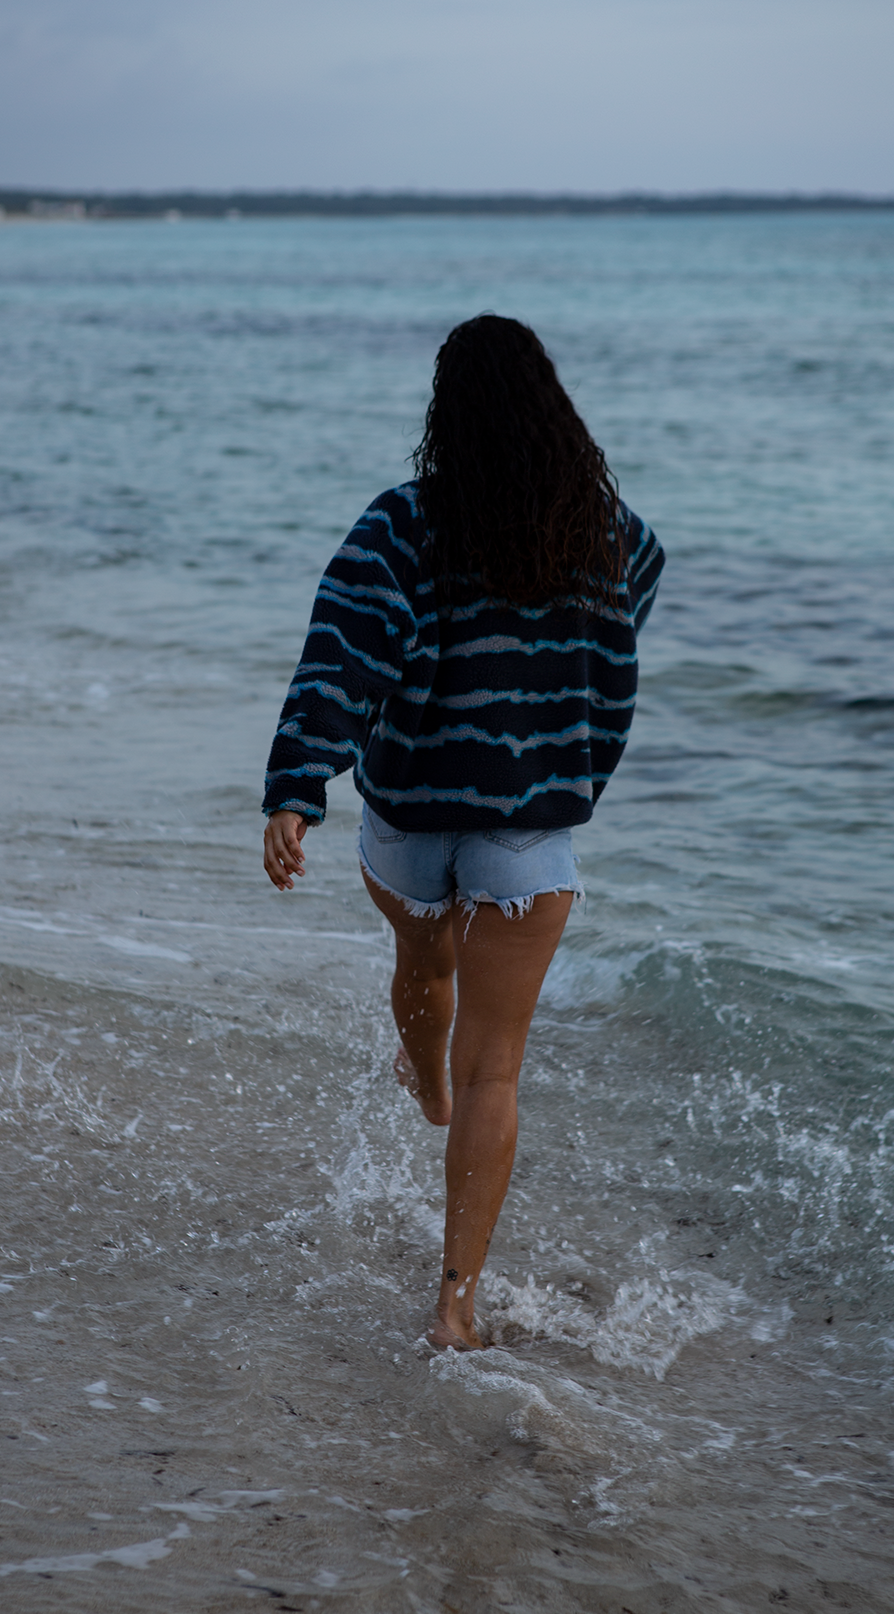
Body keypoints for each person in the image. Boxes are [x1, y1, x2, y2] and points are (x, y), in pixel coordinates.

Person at [262, 315, 664, 1351]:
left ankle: (424, 1081)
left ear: (447, 414)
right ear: (552, 408)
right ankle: (454, 1307)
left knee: (420, 954)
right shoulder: (605, 532)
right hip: (528, 834)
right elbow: (638, 593)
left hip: (406, 818)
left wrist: (295, 788)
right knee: (503, 1068)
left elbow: (341, 653)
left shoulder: (403, 525)